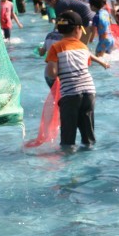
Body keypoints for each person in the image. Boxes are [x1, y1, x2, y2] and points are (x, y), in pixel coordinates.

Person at [44, 11, 109, 148]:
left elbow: (52, 73)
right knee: (88, 132)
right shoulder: (83, 47)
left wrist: (53, 68)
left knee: (68, 136)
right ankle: (89, 147)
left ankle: (68, 156)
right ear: (77, 29)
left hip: (70, 93)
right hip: (89, 92)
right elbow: (85, 64)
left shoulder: (56, 47)